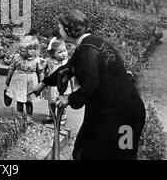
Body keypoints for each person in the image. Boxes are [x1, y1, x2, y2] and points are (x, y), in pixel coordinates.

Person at [30, 9, 146, 160]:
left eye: (59, 27)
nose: (58, 30)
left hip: (122, 115)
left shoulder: (88, 51)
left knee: (111, 154)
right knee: (88, 150)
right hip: (123, 110)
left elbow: (92, 85)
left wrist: (69, 99)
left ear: (68, 30)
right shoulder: (89, 43)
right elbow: (68, 68)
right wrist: (43, 83)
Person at [4, 36, 46, 124]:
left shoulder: (37, 61)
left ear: (32, 51)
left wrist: (41, 85)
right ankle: (19, 115)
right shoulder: (17, 57)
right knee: (19, 100)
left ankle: (29, 117)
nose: (19, 52)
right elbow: (11, 68)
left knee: (29, 101)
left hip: (31, 84)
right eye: (20, 49)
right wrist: (8, 79)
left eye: (22, 50)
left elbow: (40, 73)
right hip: (19, 83)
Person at [42, 37, 71, 125]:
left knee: (62, 102)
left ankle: (62, 116)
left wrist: (73, 88)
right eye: (60, 52)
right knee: (52, 101)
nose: (64, 54)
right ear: (53, 54)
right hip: (53, 87)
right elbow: (44, 71)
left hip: (64, 86)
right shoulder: (49, 61)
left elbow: (71, 76)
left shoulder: (67, 62)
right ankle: (51, 115)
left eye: (65, 51)